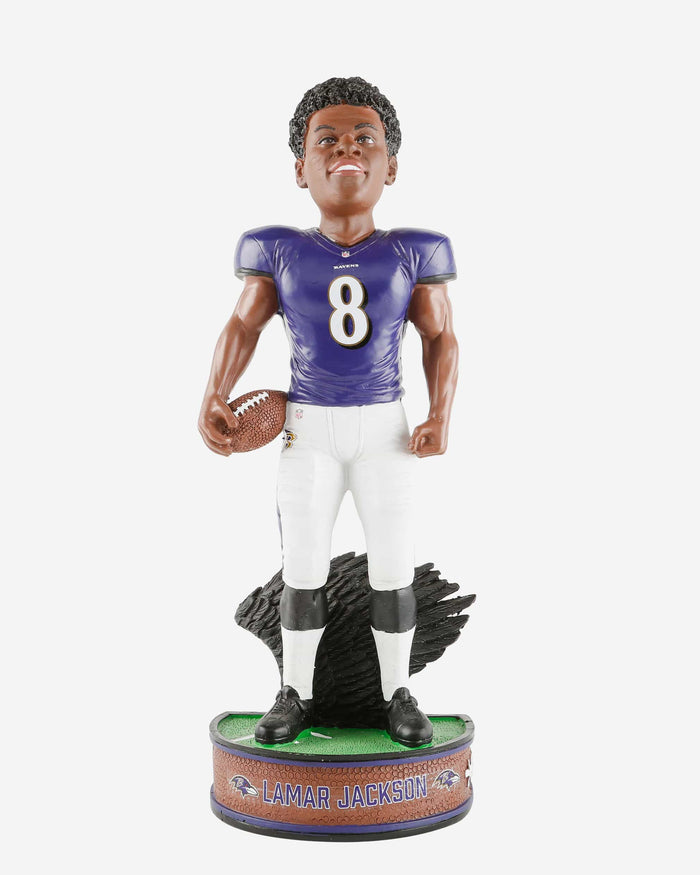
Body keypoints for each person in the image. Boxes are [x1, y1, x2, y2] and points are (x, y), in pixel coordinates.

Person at [199, 77, 458, 747]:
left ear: (390, 166)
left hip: (386, 430)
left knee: (392, 568)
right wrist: (215, 391)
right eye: (328, 139)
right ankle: (297, 691)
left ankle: (398, 689)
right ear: (300, 168)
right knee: (304, 568)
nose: (347, 149)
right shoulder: (279, 249)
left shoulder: (414, 250)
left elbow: (440, 337)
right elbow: (244, 324)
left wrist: (440, 413)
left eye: (365, 138)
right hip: (308, 428)